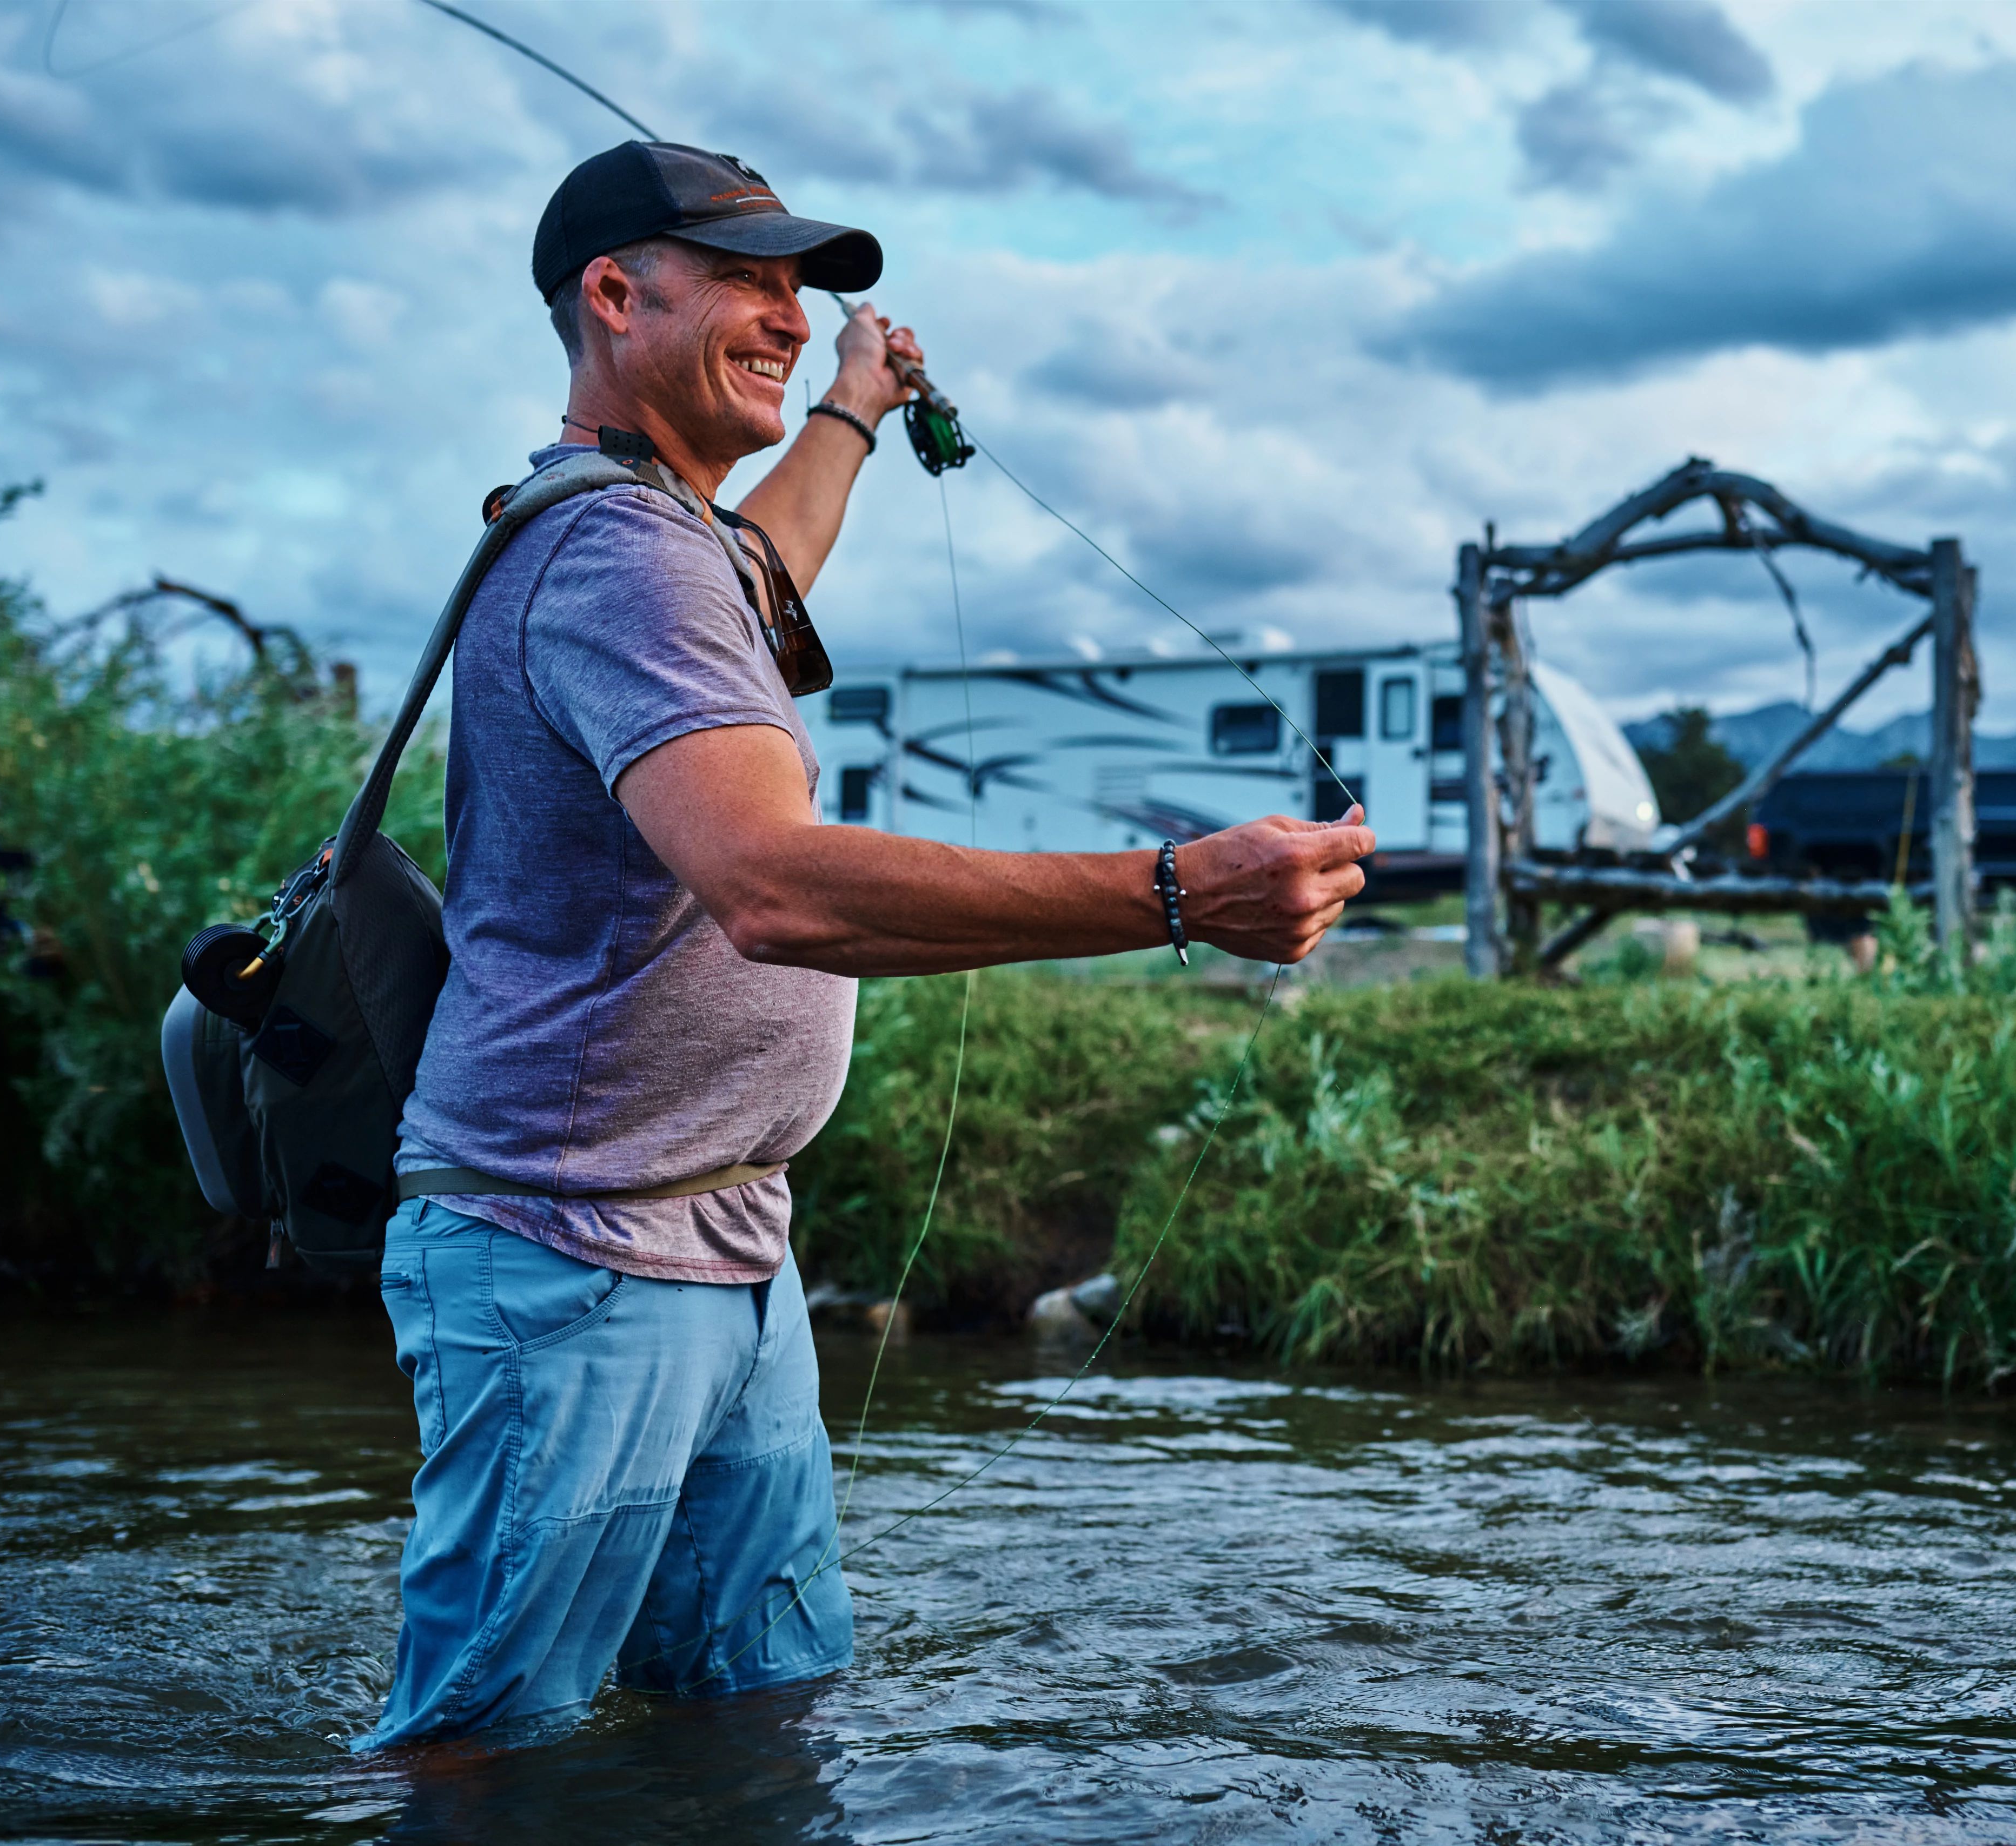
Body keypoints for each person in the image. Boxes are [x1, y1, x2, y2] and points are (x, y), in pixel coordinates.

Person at [362, 141, 1372, 1749]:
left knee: (758, 1716)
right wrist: (1173, 894)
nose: (785, 308)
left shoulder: (671, 541)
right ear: (615, 296)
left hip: (727, 1245)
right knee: (491, 1758)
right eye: (749, 279)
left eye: (799, 285)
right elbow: (772, 887)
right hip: (573, 1259)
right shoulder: (618, 553)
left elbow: (771, 566)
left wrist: (852, 400)